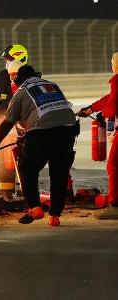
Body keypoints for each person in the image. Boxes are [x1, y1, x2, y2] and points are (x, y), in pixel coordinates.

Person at [0, 65, 78, 226]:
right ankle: (55, 217)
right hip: (68, 131)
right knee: (59, 175)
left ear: (19, 80)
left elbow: (7, 123)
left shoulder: (21, 92)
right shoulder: (52, 85)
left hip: (41, 133)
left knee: (27, 169)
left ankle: (35, 208)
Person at [78, 52, 118, 219]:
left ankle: (114, 206)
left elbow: (113, 104)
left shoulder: (117, 79)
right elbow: (110, 98)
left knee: (114, 165)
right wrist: (91, 109)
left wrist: (105, 114)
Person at [0, 44, 28, 199]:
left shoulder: (29, 75)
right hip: (5, 120)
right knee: (4, 155)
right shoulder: (2, 76)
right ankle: (6, 190)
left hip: (23, 122)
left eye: (10, 59)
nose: (6, 62)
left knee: (24, 156)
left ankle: (27, 189)